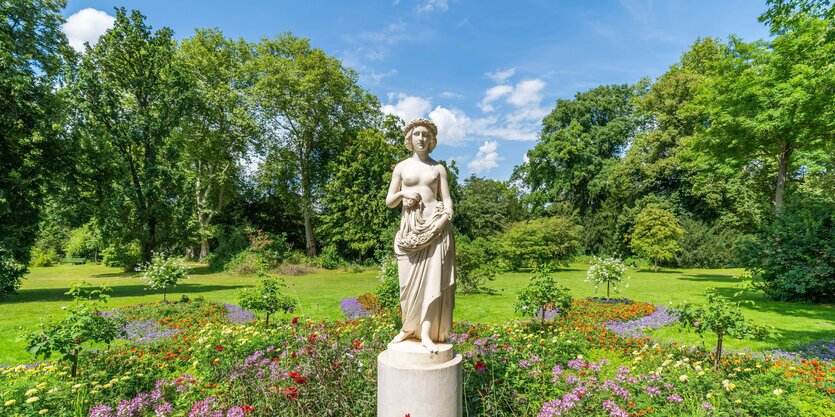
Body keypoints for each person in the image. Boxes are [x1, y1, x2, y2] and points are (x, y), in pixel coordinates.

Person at [385, 118, 456, 353]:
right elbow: (389, 201)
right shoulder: (402, 167)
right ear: (410, 138)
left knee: (432, 284)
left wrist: (443, 220)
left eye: (426, 135)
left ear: (432, 140)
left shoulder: (438, 168)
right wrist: (405, 193)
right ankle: (408, 328)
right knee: (406, 286)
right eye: (417, 134)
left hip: (436, 230)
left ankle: (425, 333)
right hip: (409, 232)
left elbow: (447, 201)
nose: (421, 138)